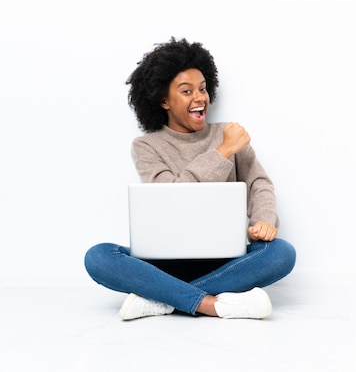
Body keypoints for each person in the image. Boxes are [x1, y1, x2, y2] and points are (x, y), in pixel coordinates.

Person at [84, 37, 296, 321]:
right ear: (164, 100)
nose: (200, 98)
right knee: (98, 256)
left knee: (282, 253)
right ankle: (212, 304)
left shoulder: (230, 134)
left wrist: (264, 219)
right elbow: (171, 196)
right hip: (165, 262)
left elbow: (259, 183)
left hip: (225, 259)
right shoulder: (147, 147)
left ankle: (163, 299)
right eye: (187, 91)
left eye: (203, 89)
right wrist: (222, 152)